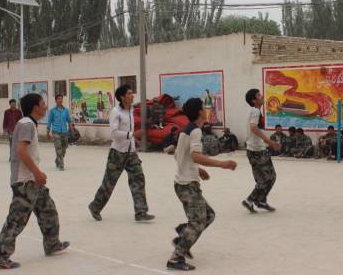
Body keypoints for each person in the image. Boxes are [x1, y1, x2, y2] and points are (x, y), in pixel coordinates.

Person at [0, 93, 69, 269]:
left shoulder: (28, 124)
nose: (46, 106)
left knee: (48, 210)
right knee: (16, 219)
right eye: (43, 103)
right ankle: (0, 256)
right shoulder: (27, 124)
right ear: (35, 107)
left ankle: (52, 243)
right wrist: (37, 172)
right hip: (25, 182)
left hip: (33, 182)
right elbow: (21, 151)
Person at [167, 98, 237, 271]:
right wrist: (223, 164)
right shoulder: (195, 131)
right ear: (199, 111)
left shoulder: (186, 130)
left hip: (183, 183)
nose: (206, 109)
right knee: (198, 222)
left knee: (209, 215)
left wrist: (197, 170)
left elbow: (179, 155)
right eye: (204, 107)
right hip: (186, 185)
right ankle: (176, 258)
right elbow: (196, 155)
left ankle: (183, 236)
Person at [88, 85, 155, 222]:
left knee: (138, 179)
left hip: (131, 153)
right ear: (122, 97)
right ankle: (95, 206)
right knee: (109, 184)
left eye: (132, 93)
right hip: (117, 153)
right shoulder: (115, 112)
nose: (132, 96)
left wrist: (133, 138)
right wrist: (132, 134)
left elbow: (126, 132)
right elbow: (113, 134)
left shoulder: (131, 110)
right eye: (129, 93)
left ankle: (141, 212)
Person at [242, 89, 281, 213]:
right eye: (259, 95)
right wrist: (270, 142)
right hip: (256, 151)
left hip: (256, 149)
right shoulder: (255, 111)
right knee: (267, 178)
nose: (262, 96)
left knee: (270, 177)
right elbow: (253, 128)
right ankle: (250, 200)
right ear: (254, 100)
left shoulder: (256, 111)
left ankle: (261, 201)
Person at [46, 94, 72, 171]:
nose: (60, 100)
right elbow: (49, 121)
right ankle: (61, 164)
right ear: (56, 100)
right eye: (59, 99)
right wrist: (47, 132)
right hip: (56, 132)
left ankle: (58, 160)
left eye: (61, 99)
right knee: (58, 148)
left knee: (64, 148)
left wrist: (72, 130)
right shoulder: (52, 111)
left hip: (64, 131)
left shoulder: (66, 110)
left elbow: (69, 120)